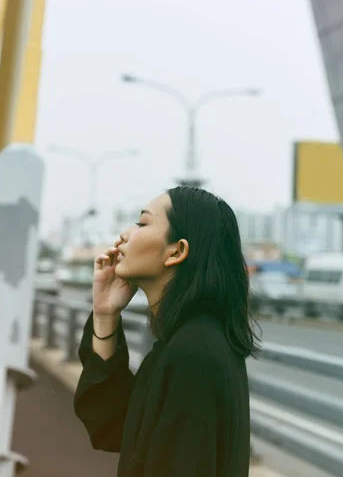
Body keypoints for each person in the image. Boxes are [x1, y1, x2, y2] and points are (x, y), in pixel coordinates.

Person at [74, 186, 260, 476]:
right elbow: (111, 426)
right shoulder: (186, 342)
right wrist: (105, 314)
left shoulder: (194, 353)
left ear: (177, 251)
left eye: (142, 223)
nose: (124, 234)